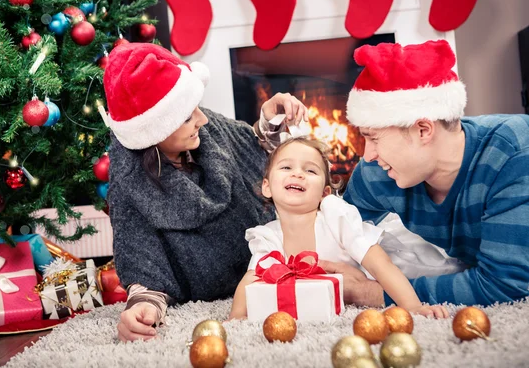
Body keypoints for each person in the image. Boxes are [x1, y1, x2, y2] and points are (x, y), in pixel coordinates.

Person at [102, 43, 308, 342]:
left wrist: (270, 120)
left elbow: (254, 146)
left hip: (263, 269)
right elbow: (142, 263)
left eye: (197, 108)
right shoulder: (131, 184)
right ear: (154, 132)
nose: (203, 119)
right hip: (205, 295)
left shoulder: (208, 130)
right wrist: (143, 308)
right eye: (187, 117)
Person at [322, 39, 529, 307]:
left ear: (423, 130)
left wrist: (368, 292)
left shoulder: (512, 154)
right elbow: (335, 236)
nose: (367, 154)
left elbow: (506, 284)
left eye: (373, 138)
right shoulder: (376, 172)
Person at [228, 137, 449, 320]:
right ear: (267, 187)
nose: (298, 174)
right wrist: (235, 320)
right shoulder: (267, 236)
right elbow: (252, 278)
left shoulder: (334, 216)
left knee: (440, 269)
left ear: (324, 193)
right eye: (286, 167)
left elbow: (379, 262)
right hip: (338, 291)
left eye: (310, 171)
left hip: (386, 273)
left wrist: (412, 306)